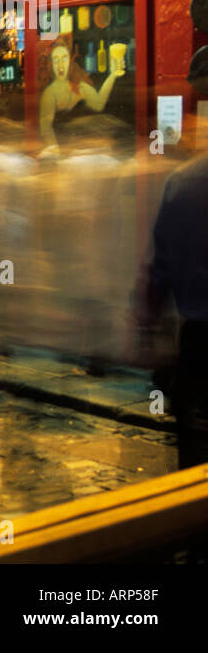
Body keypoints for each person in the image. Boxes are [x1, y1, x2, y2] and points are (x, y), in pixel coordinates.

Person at [136, 47, 208, 469]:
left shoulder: (183, 182)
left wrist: (148, 323)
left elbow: (160, 263)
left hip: (198, 333)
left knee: (191, 443)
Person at [39, 40, 125, 150]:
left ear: (70, 62)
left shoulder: (80, 87)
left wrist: (112, 75)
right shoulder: (49, 94)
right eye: (56, 60)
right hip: (66, 151)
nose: (60, 64)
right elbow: (45, 127)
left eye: (64, 58)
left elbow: (99, 104)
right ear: (50, 64)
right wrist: (55, 148)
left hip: (87, 148)